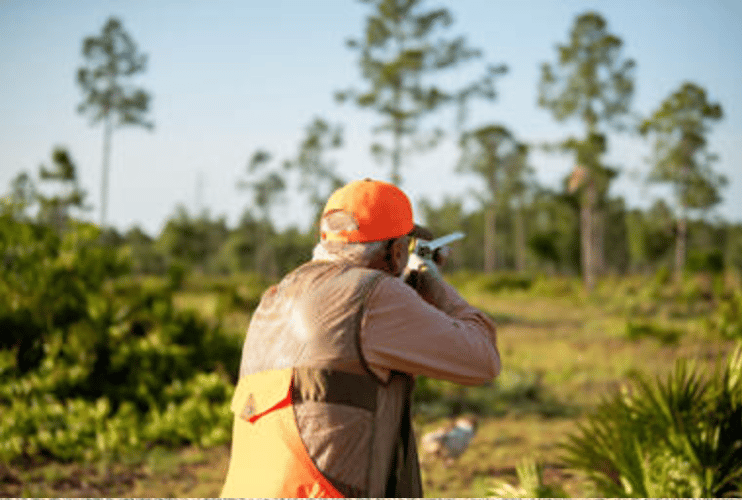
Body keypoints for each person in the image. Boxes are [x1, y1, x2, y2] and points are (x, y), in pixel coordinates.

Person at [220, 178, 500, 498]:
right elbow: (483, 360)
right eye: (405, 250)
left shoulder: (277, 295)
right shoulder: (374, 295)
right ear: (396, 254)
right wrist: (431, 281)